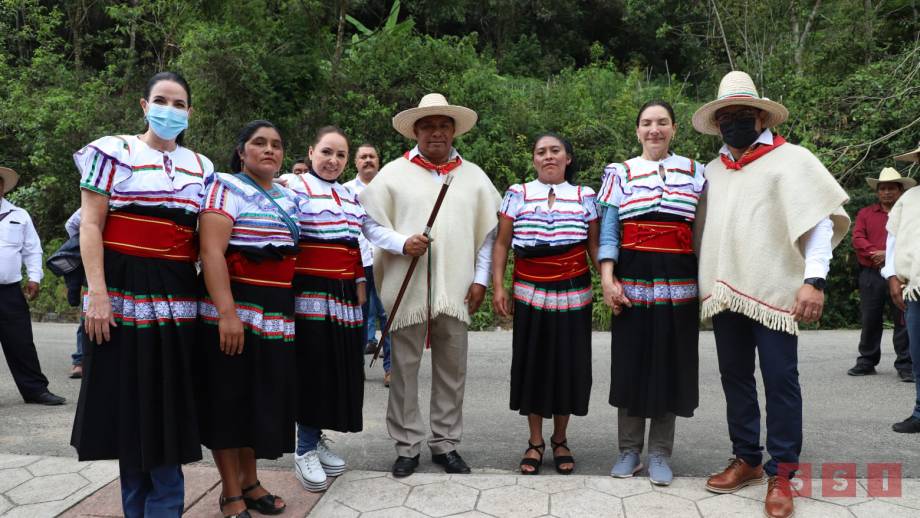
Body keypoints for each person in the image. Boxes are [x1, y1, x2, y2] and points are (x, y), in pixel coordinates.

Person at [692, 71, 850, 518]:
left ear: (762, 117)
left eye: (743, 115)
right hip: (727, 291)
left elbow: (819, 221)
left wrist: (814, 280)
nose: (734, 124)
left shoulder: (793, 160)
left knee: (781, 381)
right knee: (735, 376)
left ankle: (782, 473)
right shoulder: (712, 172)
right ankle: (747, 459)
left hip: (778, 289)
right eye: (726, 117)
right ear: (718, 124)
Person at [71, 71, 211, 517]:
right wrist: (97, 293)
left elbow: (206, 239)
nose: (170, 109)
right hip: (122, 288)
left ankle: (166, 509)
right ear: (143, 105)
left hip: (178, 293)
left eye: (179, 103)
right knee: (129, 401)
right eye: (161, 100)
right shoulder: (112, 151)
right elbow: (91, 225)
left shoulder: (202, 166)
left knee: (169, 399)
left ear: (189, 111)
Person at [359, 93, 502, 477]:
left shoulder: (473, 176)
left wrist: (480, 279)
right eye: (428, 125)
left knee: (452, 370)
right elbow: (370, 223)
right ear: (415, 130)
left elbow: (487, 234)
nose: (436, 132)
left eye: (443, 125)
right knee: (404, 369)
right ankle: (407, 445)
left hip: (456, 289)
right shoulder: (392, 173)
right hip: (406, 287)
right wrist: (401, 243)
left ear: (454, 130)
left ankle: (445, 444)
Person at [596, 101, 705, 486]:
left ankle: (660, 453)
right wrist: (608, 279)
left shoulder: (696, 172)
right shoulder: (620, 172)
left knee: (669, 363)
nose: (654, 130)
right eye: (646, 123)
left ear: (674, 128)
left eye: (661, 123)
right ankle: (629, 450)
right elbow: (609, 230)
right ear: (637, 130)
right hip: (633, 277)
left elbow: (702, 233)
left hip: (679, 280)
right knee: (630, 362)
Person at [198, 120, 297, 517]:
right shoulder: (224, 187)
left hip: (275, 312)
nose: (268, 150)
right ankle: (229, 491)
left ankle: (252, 482)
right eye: (259, 143)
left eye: (276, 144)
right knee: (229, 398)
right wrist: (227, 314)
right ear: (242, 151)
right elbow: (211, 252)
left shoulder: (289, 198)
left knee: (261, 398)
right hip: (235, 307)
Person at [492, 134, 599, 475]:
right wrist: (499, 285)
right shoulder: (517, 194)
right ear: (534, 159)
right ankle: (535, 441)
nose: (548, 156)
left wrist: (611, 283)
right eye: (541, 152)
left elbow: (594, 248)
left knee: (569, 364)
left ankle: (561, 439)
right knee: (533, 363)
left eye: (556, 151)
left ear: (568, 158)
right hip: (529, 291)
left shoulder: (585, 196)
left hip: (574, 293)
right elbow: (502, 244)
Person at [286, 127, 366, 492]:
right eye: (326, 152)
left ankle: (314, 439)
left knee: (334, 368)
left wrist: (404, 243)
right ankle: (303, 450)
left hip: (343, 292)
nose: (333, 161)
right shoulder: (293, 187)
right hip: (310, 293)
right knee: (312, 367)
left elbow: (370, 233)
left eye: (340, 155)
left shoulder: (350, 195)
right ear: (311, 151)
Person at [0, 166, 65, 406]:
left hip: (9, 290)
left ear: (2, 187)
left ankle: (35, 390)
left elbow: (32, 249)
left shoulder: (19, 215)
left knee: (21, 342)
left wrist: (34, 278)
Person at [848, 168, 914, 381]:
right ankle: (866, 361)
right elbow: (857, 238)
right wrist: (873, 253)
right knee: (870, 318)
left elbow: (912, 239)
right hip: (871, 274)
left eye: (891, 188)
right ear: (877, 192)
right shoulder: (866, 213)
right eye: (882, 189)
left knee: (902, 319)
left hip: (901, 273)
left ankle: (905, 364)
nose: (886, 192)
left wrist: (888, 254)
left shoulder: (909, 213)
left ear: (900, 190)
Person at [344, 142, 392, 385]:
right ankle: (356, 367)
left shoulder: (389, 188)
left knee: (387, 314)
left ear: (378, 160)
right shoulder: (344, 191)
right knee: (357, 315)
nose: (368, 160)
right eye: (363, 157)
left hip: (385, 258)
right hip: (357, 260)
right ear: (355, 162)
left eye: (372, 156)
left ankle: (390, 369)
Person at [883, 143, 920, 433]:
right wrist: (892, 276)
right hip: (915, 288)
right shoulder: (909, 199)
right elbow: (893, 242)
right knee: (917, 352)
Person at [65, 208, 85, 379]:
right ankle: (79, 361)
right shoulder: (100, 196)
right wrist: (82, 243)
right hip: (93, 261)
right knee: (87, 315)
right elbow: (71, 224)